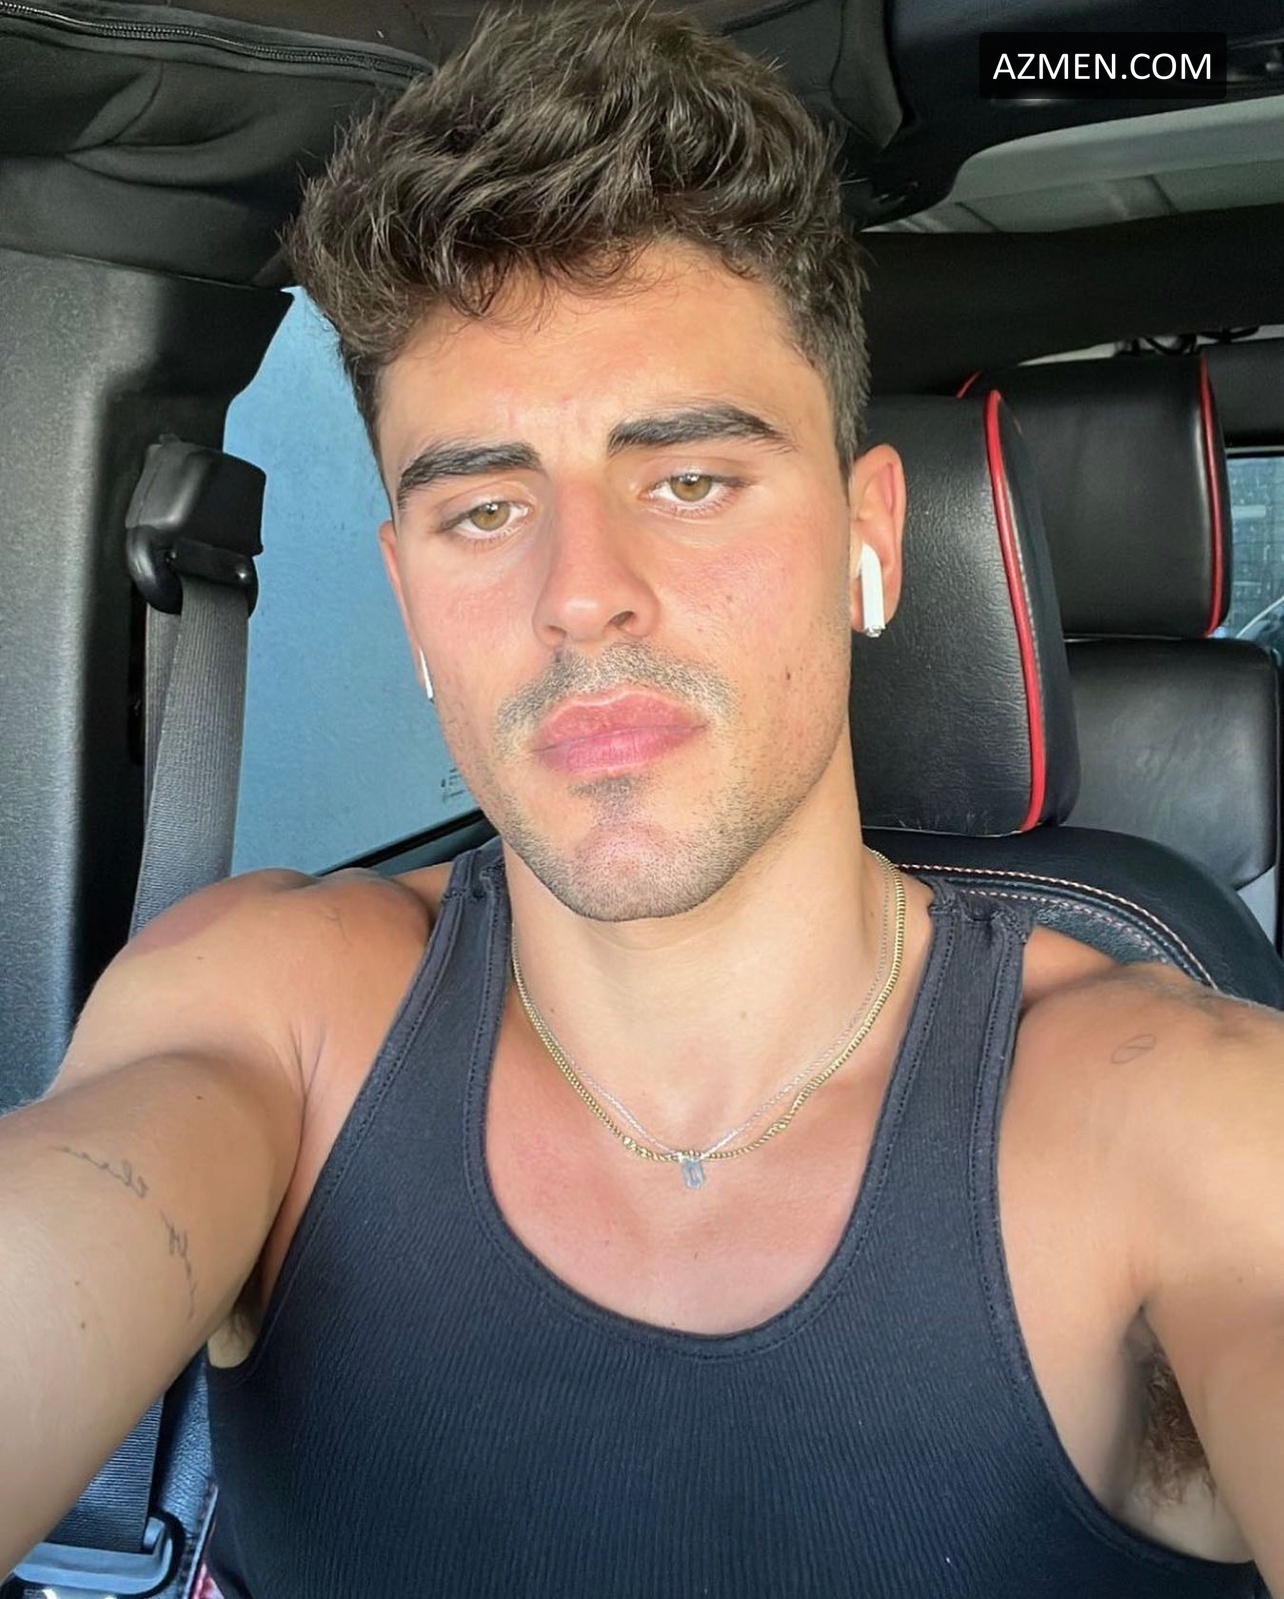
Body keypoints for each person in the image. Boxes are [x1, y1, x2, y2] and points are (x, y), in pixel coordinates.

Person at [1, 4, 1281, 1595]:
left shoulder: (1184, 1116)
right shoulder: (267, 1011)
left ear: (871, 541)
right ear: (410, 602)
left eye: (690, 478)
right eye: (484, 511)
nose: (579, 593)